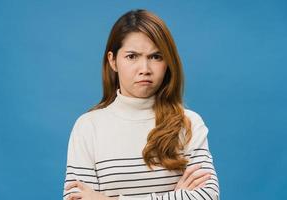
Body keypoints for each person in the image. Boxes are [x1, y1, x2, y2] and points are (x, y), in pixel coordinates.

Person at [63, 9, 220, 200]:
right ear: (113, 61)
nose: (144, 69)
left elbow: (208, 196)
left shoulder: (189, 123)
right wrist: (176, 196)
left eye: (156, 57)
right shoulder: (88, 127)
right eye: (132, 56)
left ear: (167, 63)